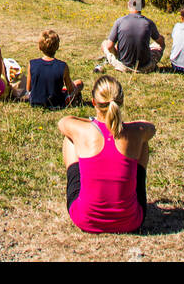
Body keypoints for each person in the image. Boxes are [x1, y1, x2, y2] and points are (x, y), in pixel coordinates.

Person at [58, 75, 155, 233]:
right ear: (121, 101)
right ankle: (134, 192)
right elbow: (151, 128)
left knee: (70, 137)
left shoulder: (84, 130)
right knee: (143, 142)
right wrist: (128, 126)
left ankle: (80, 189)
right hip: (130, 220)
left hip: (85, 218)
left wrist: (91, 122)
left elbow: (63, 122)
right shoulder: (136, 131)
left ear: (94, 102)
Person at [100, 0, 165, 73]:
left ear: (128, 4)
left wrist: (116, 52)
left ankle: (117, 58)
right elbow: (160, 42)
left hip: (123, 66)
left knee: (105, 43)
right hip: (145, 67)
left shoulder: (119, 21)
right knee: (159, 42)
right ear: (143, 5)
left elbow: (109, 46)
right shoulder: (149, 23)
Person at [26, 29, 83, 109]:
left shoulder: (32, 64)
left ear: (40, 46)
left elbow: (29, 88)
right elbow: (70, 89)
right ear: (57, 46)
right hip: (56, 103)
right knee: (79, 83)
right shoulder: (63, 66)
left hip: (35, 102)